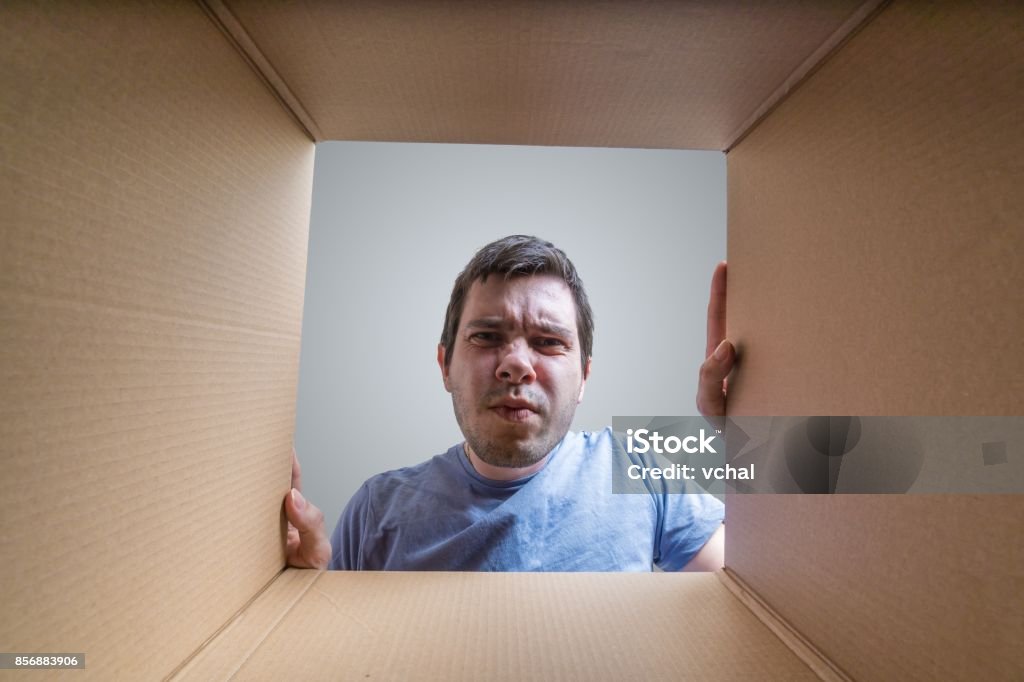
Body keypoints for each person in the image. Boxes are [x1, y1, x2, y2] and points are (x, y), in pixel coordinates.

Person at [284, 235, 736, 571]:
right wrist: (306, 606)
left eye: (548, 341)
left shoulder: (639, 472)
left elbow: (766, 600)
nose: (516, 364)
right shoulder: (377, 508)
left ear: (584, 378)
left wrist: (736, 436)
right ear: (445, 365)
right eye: (486, 337)